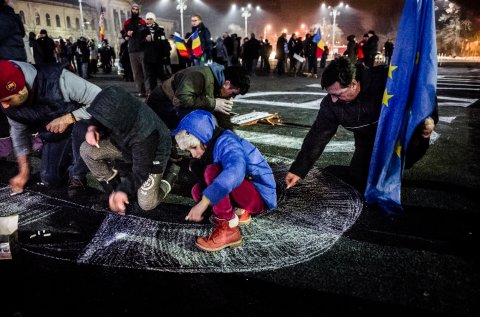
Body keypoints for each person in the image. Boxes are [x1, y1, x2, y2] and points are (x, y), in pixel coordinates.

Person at [285, 56, 437, 193]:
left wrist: (430, 117)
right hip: (367, 140)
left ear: (353, 84)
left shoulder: (387, 78)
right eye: (330, 94)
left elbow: (421, 89)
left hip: (397, 136)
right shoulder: (331, 105)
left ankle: (401, 161)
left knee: (393, 172)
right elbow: (318, 135)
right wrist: (298, 169)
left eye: (338, 94)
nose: (333, 100)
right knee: (359, 180)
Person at [173, 110, 277, 252]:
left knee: (211, 173)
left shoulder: (227, 142)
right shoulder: (213, 142)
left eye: (195, 147)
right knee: (197, 191)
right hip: (247, 189)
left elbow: (235, 171)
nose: (194, 154)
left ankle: (228, 229)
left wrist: (205, 202)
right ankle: (239, 211)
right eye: (190, 150)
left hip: (260, 196)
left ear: (204, 137)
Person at [0, 59, 101, 196]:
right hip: (56, 134)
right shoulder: (7, 100)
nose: (5, 106)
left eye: (8, 100)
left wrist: (69, 118)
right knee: (49, 178)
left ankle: (78, 173)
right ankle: (70, 159)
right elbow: (19, 132)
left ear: (22, 89)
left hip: (82, 127)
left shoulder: (58, 79)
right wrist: (24, 171)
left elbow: (102, 99)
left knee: (83, 127)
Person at [80, 86, 178, 214]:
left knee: (146, 203)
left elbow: (141, 171)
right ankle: (113, 188)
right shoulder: (117, 103)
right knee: (86, 150)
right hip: (125, 143)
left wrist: (123, 191)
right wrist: (92, 128)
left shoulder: (143, 134)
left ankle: (171, 171)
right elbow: (99, 114)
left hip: (154, 152)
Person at [146, 62, 250, 130]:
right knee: (204, 121)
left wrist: (230, 135)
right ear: (227, 84)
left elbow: (223, 115)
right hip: (161, 104)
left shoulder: (222, 85)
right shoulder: (197, 75)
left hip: (174, 104)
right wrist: (213, 103)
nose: (232, 98)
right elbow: (180, 101)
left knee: (211, 119)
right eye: (233, 94)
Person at [123, 3, 149, 97]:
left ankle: (148, 91)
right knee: (136, 73)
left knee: (146, 71)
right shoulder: (127, 22)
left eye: (136, 9)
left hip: (142, 49)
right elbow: (124, 34)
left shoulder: (142, 22)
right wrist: (127, 35)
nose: (135, 10)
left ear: (139, 11)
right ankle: (141, 91)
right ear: (131, 10)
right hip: (132, 51)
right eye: (133, 9)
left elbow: (147, 33)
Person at [143, 12, 171, 95]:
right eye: (147, 19)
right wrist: (145, 40)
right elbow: (139, 44)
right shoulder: (142, 30)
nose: (149, 20)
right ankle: (153, 94)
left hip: (159, 57)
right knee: (151, 77)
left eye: (151, 19)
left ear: (154, 20)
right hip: (148, 58)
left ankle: (166, 92)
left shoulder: (160, 30)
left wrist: (166, 55)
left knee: (162, 76)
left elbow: (163, 43)